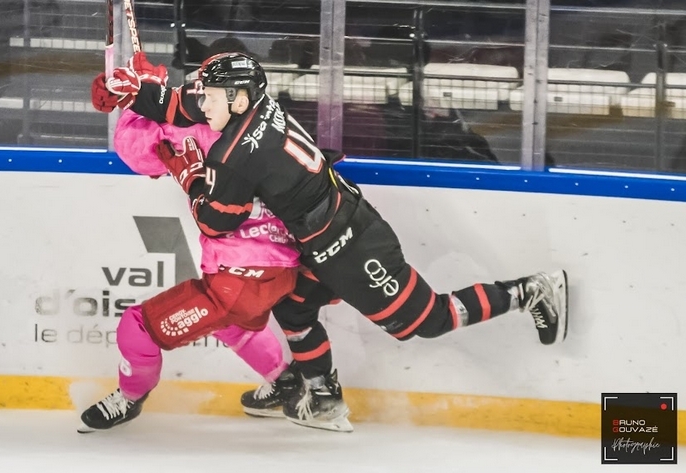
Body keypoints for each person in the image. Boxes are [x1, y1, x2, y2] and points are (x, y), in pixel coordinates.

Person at [92, 52, 569, 433]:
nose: (203, 103)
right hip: (319, 238)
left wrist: (189, 175)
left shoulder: (236, 155)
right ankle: (322, 397)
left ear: (236, 99)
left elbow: (216, 221)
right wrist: (136, 93)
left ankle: (530, 292)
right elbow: (180, 104)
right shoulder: (252, 105)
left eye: (211, 96)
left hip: (351, 246)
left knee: (428, 320)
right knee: (293, 307)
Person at [79, 81, 304, 432]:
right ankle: (285, 383)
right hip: (281, 268)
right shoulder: (269, 121)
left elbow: (136, 151)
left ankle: (129, 398)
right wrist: (144, 92)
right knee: (232, 324)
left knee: (137, 327)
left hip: (239, 276)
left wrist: (137, 98)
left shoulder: (193, 125)